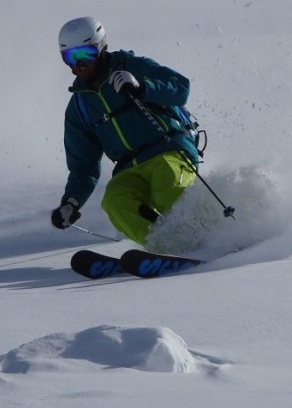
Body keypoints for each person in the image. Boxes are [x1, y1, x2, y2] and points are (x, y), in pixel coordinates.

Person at [50, 17, 199, 246]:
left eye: (86, 54)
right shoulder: (79, 108)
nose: (79, 63)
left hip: (169, 149)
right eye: (70, 56)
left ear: (101, 48)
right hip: (129, 167)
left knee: (167, 184)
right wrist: (72, 202)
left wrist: (142, 88)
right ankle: (165, 247)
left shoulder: (132, 67)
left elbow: (180, 88)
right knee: (114, 200)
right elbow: (84, 166)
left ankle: (207, 236)